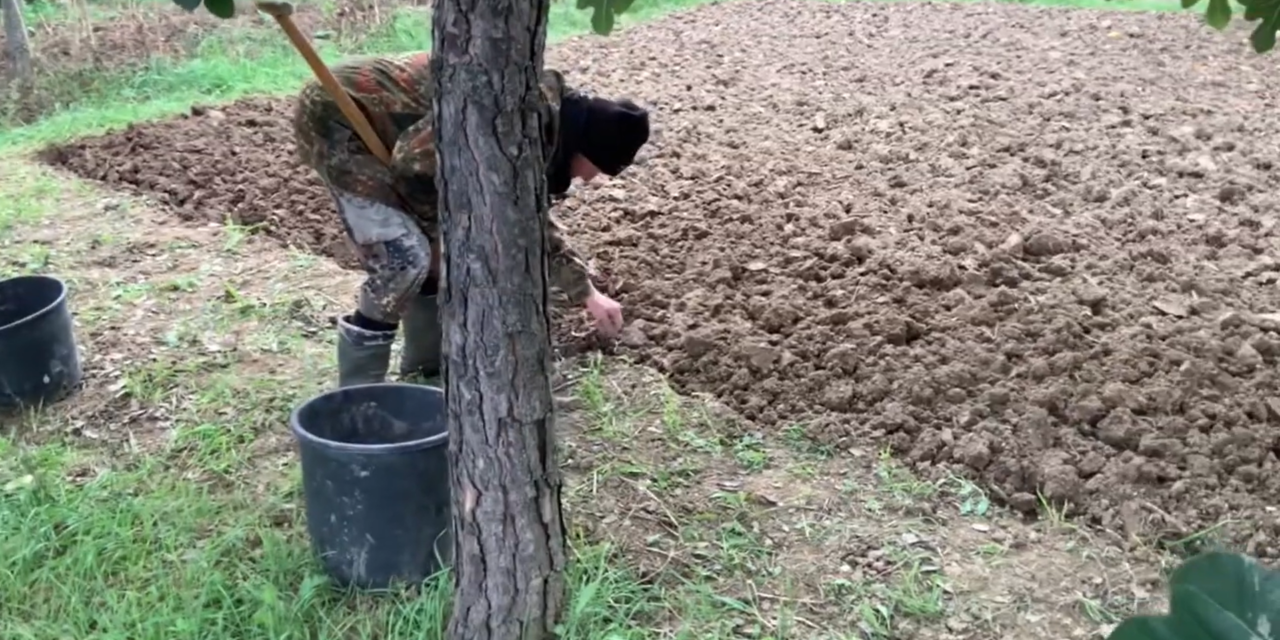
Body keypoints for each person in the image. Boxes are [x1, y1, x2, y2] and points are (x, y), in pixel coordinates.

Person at [292, 51, 650, 388]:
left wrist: (586, 293)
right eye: (597, 168)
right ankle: (357, 396)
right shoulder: (512, 121)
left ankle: (425, 376)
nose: (590, 178)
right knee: (403, 259)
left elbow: (530, 219)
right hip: (338, 114)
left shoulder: (544, 132)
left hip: (399, 136)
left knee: (431, 255)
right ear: (585, 146)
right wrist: (434, 229)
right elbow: (411, 162)